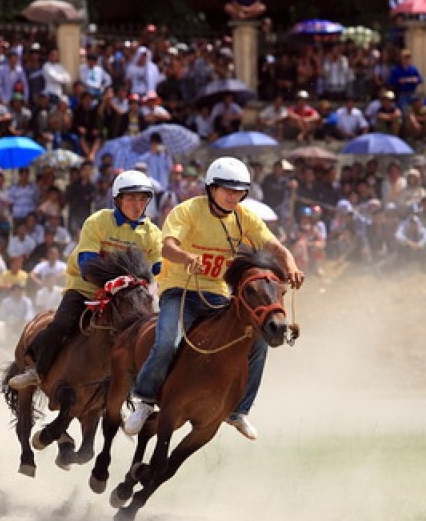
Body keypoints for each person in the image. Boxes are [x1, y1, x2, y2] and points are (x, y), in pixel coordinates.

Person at [123, 157, 304, 441]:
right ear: (211, 188)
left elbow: (275, 246)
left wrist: (290, 265)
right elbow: (167, 248)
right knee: (169, 338)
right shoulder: (187, 212)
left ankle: (239, 410)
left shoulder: (245, 218)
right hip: (180, 289)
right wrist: (186, 257)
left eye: (239, 191)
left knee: (259, 340)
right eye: (226, 189)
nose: (233, 196)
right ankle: (145, 400)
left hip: (218, 294)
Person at [8, 170, 163, 390]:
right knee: (62, 323)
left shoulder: (153, 233)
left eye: (142, 199)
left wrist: (159, 280)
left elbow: (158, 267)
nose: (137, 204)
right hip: (87, 287)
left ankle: (138, 391)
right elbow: (88, 263)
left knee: (147, 335)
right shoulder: (98, 221)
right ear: (118, 199)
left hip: (129, 297)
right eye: (131, 198)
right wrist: (112, 284)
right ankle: (37, 369)